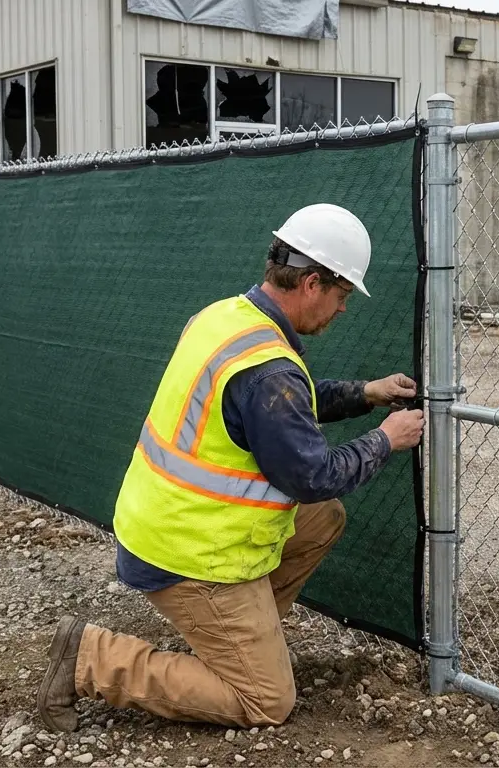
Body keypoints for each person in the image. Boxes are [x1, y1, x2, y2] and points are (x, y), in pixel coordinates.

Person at [36, 203, 425, 732]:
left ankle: (239, 641)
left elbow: (281, 411)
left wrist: (364, 394)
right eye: (341, 295)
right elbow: (311, 473)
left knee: (322, 519)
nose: (342, 310)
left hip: (167, 521)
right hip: (189, 550)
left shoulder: (227, 317)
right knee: (267, 703)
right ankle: (91, 657)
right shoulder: (268, 370)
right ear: (312, 283)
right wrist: (385, 439)